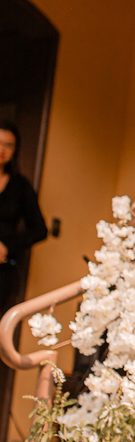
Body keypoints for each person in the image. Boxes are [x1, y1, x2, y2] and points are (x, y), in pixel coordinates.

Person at [0, 120, 48, 310]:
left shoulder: (20, 186)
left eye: (8, 145)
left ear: (15, 150)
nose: (2, 149)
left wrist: (7, 247)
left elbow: (40, 230)